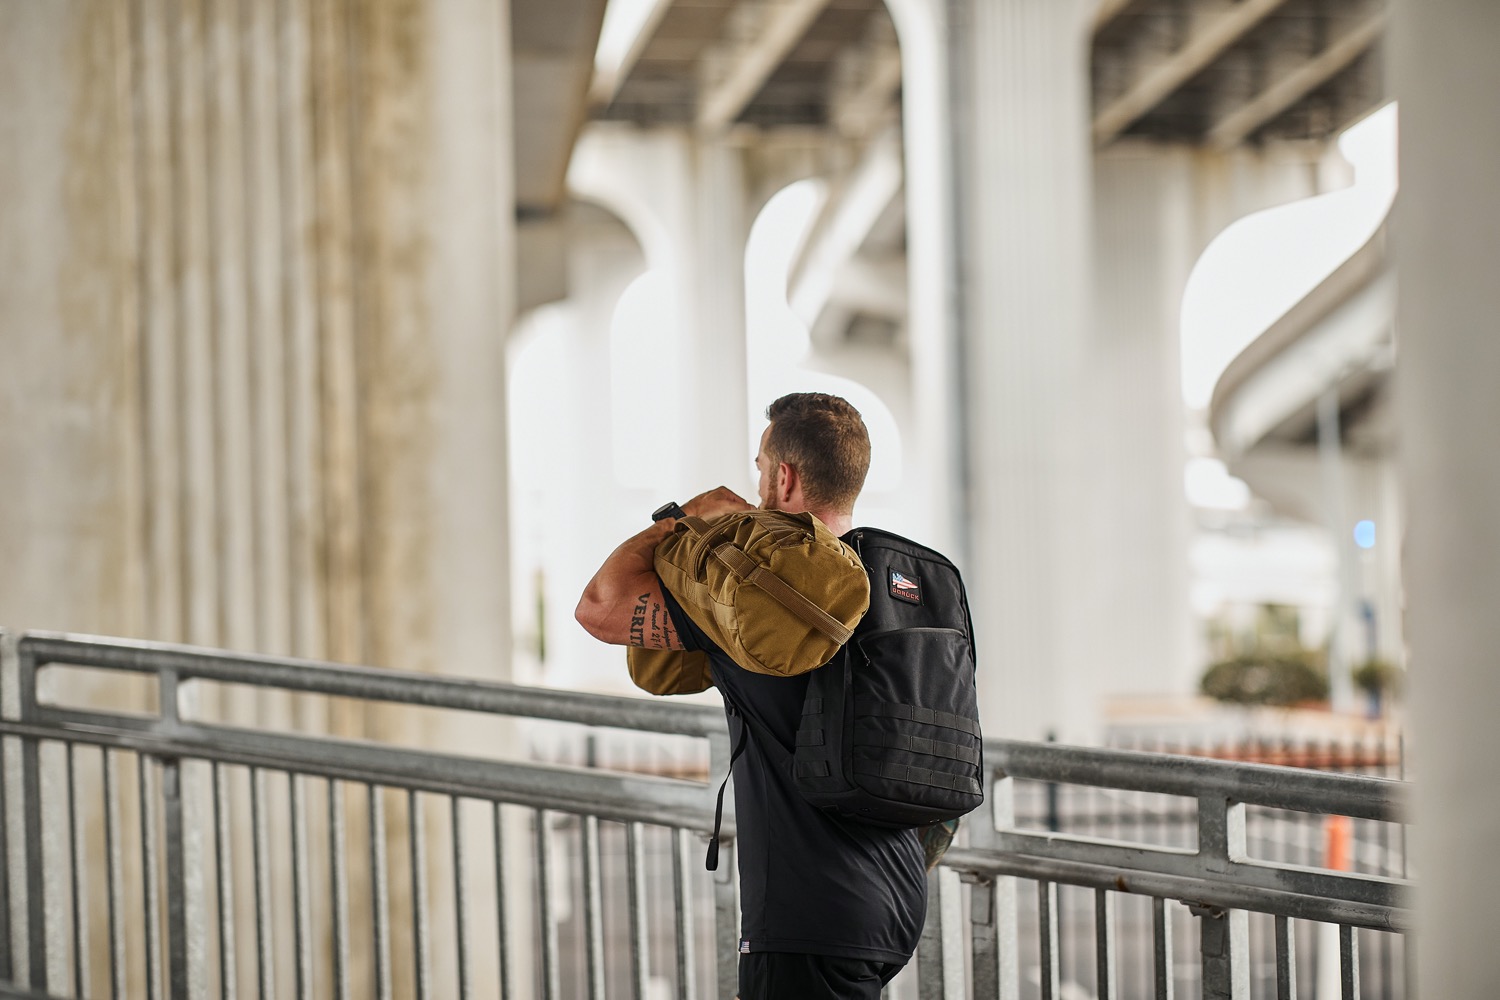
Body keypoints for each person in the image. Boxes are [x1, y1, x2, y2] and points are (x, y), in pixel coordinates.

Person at [576, 392, 925, 999]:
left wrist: (685, 516)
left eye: (761, 466)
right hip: (896, 895)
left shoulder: (761, 597)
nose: (756, 480)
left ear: (784, 476)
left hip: (807, 914)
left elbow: (599, 607)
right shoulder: (899, 584)